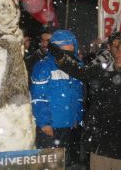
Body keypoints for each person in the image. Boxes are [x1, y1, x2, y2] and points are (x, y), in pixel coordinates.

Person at [51, 39, 121, 170]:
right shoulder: (103, 69)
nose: (119, 54)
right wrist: (62, 59)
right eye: (119, 50)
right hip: (100, 141)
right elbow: (80, 72)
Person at [30, 29, 84, 166]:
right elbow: (38, 97)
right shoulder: (43, 65)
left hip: (68, 125)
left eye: (70, 44)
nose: (69, 47)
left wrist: (76, 116)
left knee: (65, 162)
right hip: (50, 126)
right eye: (65, 44)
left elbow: (78, 95)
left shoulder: (76, 66)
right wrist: (44, 122)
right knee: (50, 164)